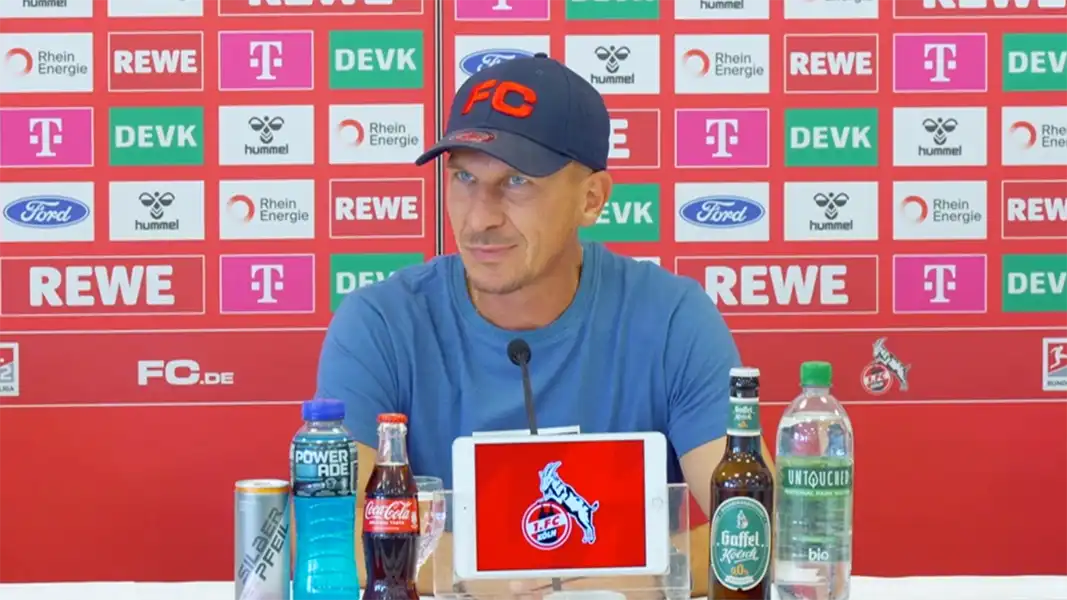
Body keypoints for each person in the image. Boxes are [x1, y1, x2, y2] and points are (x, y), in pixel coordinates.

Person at [315, 53, 772, 596]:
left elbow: (756, 531)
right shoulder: (380, 324)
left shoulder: (673, 318)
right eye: (463, 176)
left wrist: (636, 571)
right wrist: (495, 575)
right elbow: (331, 544)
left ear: (592, 198)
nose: (479, 217)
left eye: (515, 182)